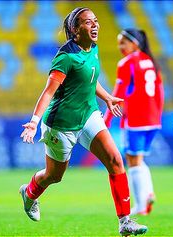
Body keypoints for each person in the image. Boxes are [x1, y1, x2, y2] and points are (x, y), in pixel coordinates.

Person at [19, 7, 148, 236]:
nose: (95, 25)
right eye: (88, 23)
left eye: (96, 21)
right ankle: (29, 193)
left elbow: (90, 78)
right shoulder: (66, 57)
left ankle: (125, 221)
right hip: (61, 124)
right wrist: (34, 121)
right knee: (54, 176)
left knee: (115, 160)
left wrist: (107, 98)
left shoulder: (93, 48)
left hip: (89, 115)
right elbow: (48, 92)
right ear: (75, 30)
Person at [104, 29, 164, 216]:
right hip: (153, 119)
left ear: (135, 43)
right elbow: (160, 91)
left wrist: (106, 120)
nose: (120, 47)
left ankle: (140, 205)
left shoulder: (126, 63)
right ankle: (148, 192)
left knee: (133, 162)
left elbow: (118, 94)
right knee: (138, 159)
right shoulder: (151, 61)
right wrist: (157, 114)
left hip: (136, 119)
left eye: (123, 42)